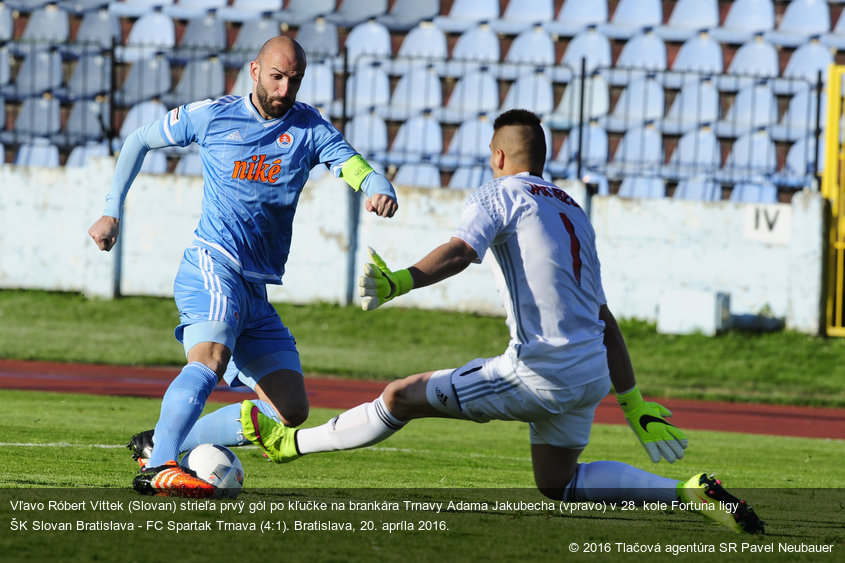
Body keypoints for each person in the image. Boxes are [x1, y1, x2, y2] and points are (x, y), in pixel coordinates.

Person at [235, 109, 764, 533]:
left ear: (499, 155)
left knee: (400, 396)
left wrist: (400, 281)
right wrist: (633, 403)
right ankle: (688, 491)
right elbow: (604, 316)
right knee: (558, 482)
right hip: (590, 375)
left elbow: (462, 251)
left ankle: (288, 446)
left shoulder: (500, 193)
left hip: (537, 373)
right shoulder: (572, 209)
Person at [89, 36, 399, 497]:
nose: (284, 89)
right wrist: (112, 210)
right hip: (212, 264)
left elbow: (355, 166)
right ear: (254, 70)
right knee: (210, 359)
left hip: (254, 289)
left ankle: (162, 443)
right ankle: (158, 469)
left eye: (294, 80)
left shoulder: (309, 128)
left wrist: (378, 186)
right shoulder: (213, 115)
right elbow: (138, 140)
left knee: (290, 409)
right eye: (277, 76)